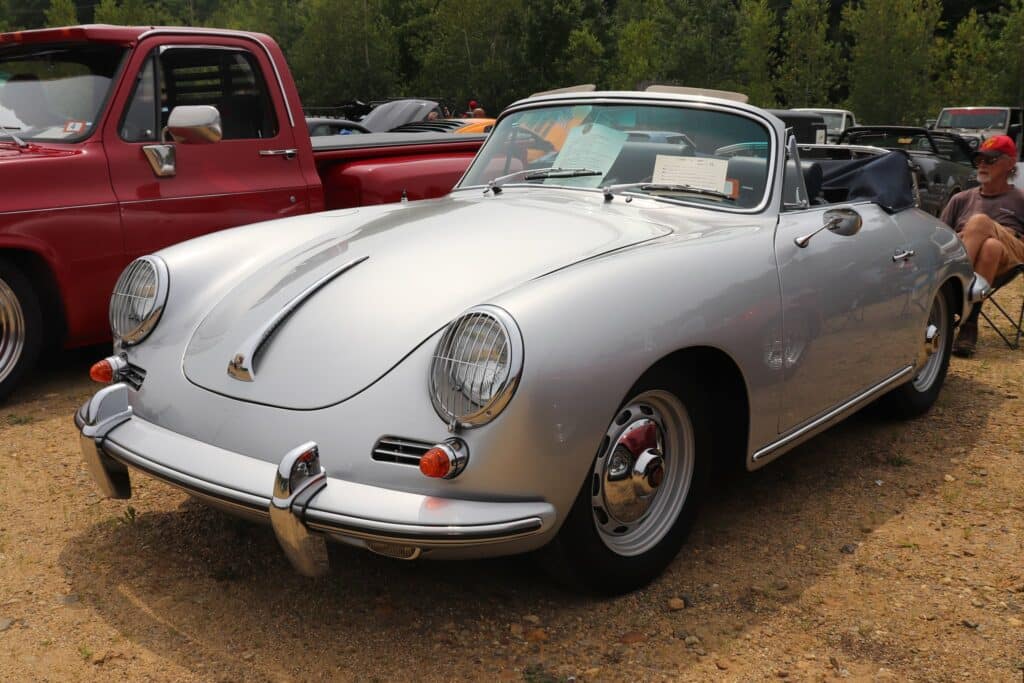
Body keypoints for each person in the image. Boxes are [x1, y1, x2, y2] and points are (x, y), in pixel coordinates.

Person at [940, 134, 1024, 356]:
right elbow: (941, 236)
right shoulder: (961, 199)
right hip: (980, 255)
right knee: (990, 247)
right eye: (980, 160)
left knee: (979, 222)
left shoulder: (1020, 199)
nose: (983, 164)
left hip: (1012, 256)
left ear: (1010, 163)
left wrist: (990, 229)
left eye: (991, 159)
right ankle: (970, 323)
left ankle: (953, 294)